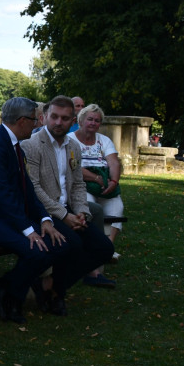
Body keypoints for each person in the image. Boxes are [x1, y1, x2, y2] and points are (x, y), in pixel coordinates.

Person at [0, 97, 75, 324]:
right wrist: (27, 230)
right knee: (39, 250)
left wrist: (44, 220)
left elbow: (27, 189)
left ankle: (5, 286)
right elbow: (1, 195)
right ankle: (11, 296)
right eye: (35, 120)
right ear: (22, 121)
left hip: (7, 218)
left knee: (61, 244)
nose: (37, 125)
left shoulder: (13, 145)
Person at [21, 96, 115, 302]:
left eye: (64, 118)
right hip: (42, 213)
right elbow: (34, 188)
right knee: (73, 243)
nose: (58, 122)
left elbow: (78, 184)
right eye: (54, 116)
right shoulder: (31, 145)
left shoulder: (73, 146)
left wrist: (82, 212)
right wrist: (64, 216)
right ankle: (56, 294)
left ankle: (51, 284)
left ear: (73, 120)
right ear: (44, 117)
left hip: (70, 210)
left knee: (104, 248)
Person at [70, 104, 126, 243]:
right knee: (89, 207)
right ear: (81, 120)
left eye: (97, 120)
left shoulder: (104, 140)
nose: (93, 123)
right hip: (81, 185)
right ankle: (91, 243)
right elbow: (72, 166)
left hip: (105, 184)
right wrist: (95, 178)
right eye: (90, 119)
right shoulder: (70, 139)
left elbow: (113, 162)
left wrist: (114, 182)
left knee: (117, 208)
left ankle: (108, 245)